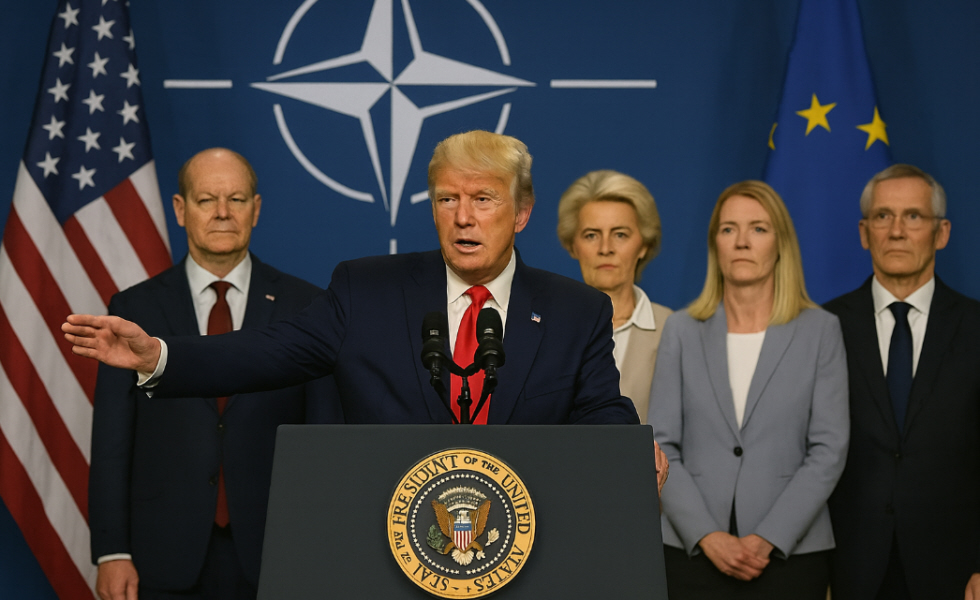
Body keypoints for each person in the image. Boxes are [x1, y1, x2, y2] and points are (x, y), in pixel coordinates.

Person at [64, 131, 641, 428]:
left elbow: (601, 410)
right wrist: (159, 356)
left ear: (522, 213)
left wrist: (631, 448)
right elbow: (265, 352)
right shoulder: (367, 292)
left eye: (483, 199)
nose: (463, 217)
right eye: (447, 199)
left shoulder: (574, 311)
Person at [89, 148, 342, 600]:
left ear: (256, 209)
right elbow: (111, 441)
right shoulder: (133, 309)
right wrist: (112, 551)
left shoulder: (307, 306)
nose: (223, 212)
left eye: (236, 199)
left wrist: (321, 545)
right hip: (162, 552)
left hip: (279, 551)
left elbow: (324, 441)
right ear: (180, 209)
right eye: (207, 200)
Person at [650, 180, 849, 599]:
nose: (742, 241)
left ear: (781, 244)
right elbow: (661, 445)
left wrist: (769, 537)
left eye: (758, 228)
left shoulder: (820, 330)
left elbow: (829, 449)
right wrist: (707, 535)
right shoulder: (681, 330)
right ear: (715, 244)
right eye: (729, 229)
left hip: (790, 555)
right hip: (692, 552)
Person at [824, 164, 980, 600]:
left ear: (941, 233)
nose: (896, 231)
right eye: (882, 216)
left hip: (955, 572)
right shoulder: (822, 326)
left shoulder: (976, 327)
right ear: (864, 232)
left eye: (913, 216)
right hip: (846, 569)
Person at [557, 169, 672, 422]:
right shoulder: (550, 327)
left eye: (620, 234)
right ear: (572, 245)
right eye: (591, 235)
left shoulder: (675, 330)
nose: (605, 248)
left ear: (644, 244)